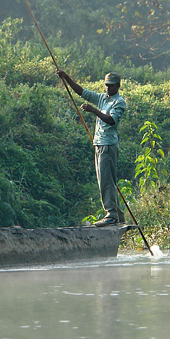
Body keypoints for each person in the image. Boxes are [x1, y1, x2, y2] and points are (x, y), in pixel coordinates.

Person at [56, 69, 127, 226]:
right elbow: (81, 91)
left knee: (106, 180)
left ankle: (111, 214)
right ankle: (118, 213)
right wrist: (66, 77)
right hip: (99, 144)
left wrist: (94, 110)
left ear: (118, 86)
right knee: (106, 179)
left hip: (108, 145)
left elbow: (111, 120)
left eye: (111, 86)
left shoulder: (119, 102)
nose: (107, 88)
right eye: (106, 85)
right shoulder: (102, 98)